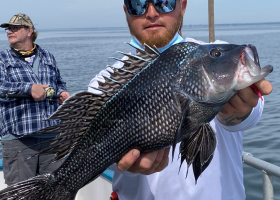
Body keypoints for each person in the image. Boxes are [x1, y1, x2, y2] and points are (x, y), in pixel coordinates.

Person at [89, 0, 273, 200]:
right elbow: (90, 150)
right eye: (137, 4)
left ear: (182, 5)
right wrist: (116, 160)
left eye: (163, 2)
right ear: (126, 11)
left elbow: (250, 114)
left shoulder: (214, 55)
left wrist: (239, 113)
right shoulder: (106, 82)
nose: (151, 13)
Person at [0, 13, 70, 186]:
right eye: (8, 29)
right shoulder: (1, 59)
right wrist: (29, 88)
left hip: (52, 136)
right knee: (21, 194)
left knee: (55, 192)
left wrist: (62, 93)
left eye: (15, 28)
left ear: (29, 31)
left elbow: (59, 82)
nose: (10, 31)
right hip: (20, 139)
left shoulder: (48, 56)